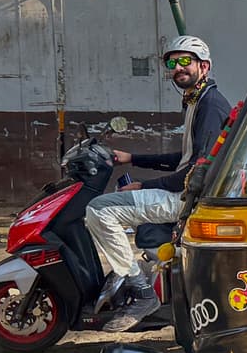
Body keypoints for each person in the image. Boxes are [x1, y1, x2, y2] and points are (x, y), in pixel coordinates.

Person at [85, 35, 232, 331]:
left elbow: (196, 168)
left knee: (100, 211)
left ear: (204, 66)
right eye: (172, 63)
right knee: (117, 204)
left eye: (185, 61)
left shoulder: (210, 105)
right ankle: (129, 273)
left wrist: (146, 186)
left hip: (188, 198)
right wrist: (132, 158)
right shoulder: (198, 100)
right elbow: (187, 155)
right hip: (187, 192)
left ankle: (141, 292)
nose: (178, 68)